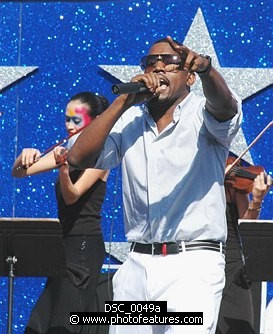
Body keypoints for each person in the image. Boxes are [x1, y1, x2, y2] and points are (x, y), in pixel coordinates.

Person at [67, 36, 243, 334]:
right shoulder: (129, 121)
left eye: (170, 62)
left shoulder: (204, 113)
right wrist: (122, 102)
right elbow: (78, 157)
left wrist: (207, 69)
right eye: (151, 63)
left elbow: (225, 108)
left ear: (189, 76)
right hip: (136, 265)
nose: (158, 67)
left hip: (192, 266)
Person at [12, 91, 110, 334]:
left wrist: (64, 170)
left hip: (84, 247)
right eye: (66, 119)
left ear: (96, 121)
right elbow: (20, 173)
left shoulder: (103, 153)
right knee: (39, 325)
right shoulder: (68, 149)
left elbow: (73, 195)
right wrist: (23, 156)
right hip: (63, 247)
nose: (68, 125)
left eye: (76, 121)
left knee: (65, 325)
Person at [216, 158, 272, 334]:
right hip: (194, 261)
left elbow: (244, 224)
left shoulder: (232, 176)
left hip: (232, 265)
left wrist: (256, 201)